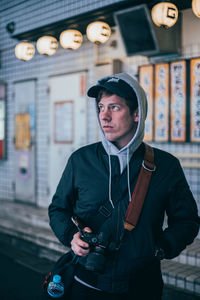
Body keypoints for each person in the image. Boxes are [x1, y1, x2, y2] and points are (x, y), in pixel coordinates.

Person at [48, 73, 199, 300]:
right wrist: (71, 235)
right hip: (86, 282)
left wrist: (160, 248)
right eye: (101, 107)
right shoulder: (81, 160)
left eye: (115, 108)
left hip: (142, 286)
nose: (104, 116)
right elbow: (58, 209)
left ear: (137, 113)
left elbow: (187, 221)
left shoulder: (165, 166)